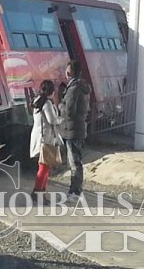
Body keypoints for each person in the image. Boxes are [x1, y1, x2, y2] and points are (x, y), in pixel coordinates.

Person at [59, 60, 91, 201]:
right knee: (76, 161)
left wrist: (60, 105)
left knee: (74, 163)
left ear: (69, 72)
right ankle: (75, 190)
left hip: (72, 130)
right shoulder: (82, 88)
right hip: (78, 128)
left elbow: (69, 111)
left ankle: (75, 192)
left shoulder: (72, 90)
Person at [29, 80, 63, 204]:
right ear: (52, 92)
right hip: (45, 140)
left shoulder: (38, 102)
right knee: (44, 168)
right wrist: (61, 119)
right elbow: (52, 120)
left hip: (41, 139)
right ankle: (37, 193)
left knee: (44, 167)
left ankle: (40, 193)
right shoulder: (47, 104)